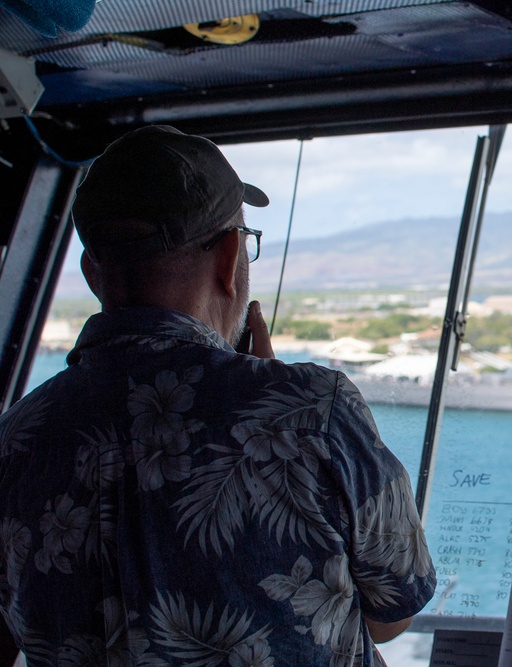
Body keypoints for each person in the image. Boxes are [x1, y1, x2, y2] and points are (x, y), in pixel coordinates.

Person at [0, 125, 436, 666]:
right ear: (231, 255)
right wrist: (275, 405)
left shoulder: (14, 439)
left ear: (92, 272)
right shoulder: (315, 412)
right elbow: (394, 614)